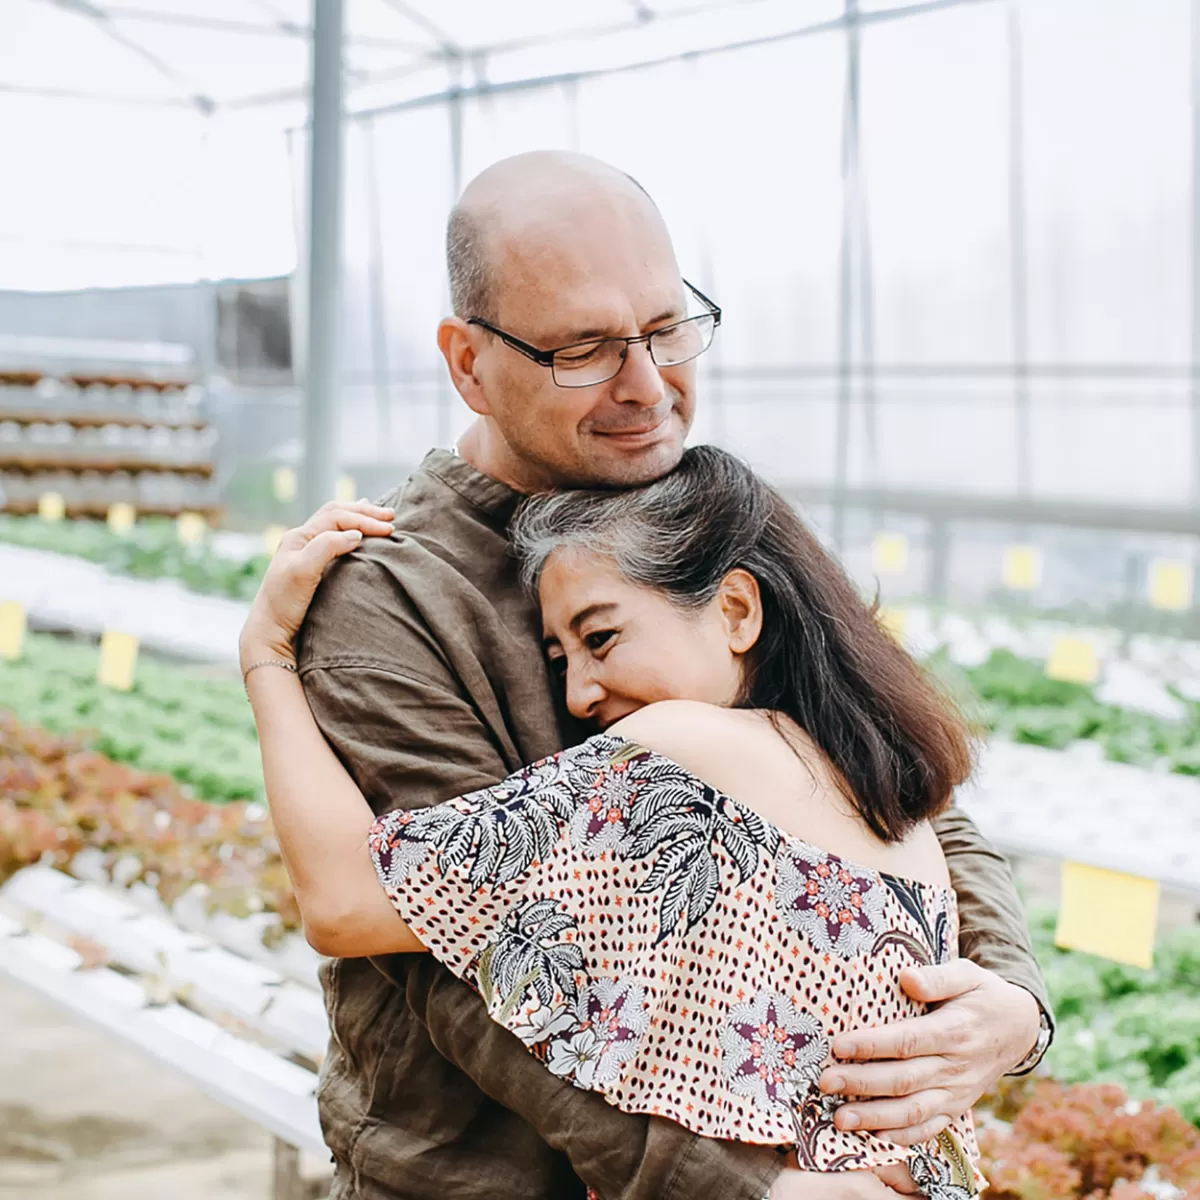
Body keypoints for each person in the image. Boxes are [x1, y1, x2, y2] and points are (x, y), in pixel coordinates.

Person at [254, 151, 1050, 1200]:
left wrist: (1008, 999)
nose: (647, 386)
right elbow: (457, 961)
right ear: (467, 361)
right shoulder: (390, 593)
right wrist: (749, 1189)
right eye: (583, 350)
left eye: (668, 330)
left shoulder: (687, 507)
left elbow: (883, 762)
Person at [241, 445, 997, 1198]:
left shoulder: (683, 753)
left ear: (735, 610)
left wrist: (267, 656)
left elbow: (346, 905)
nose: (577, 695)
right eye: (560, 657)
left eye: (600, 638)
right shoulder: (899, 815)